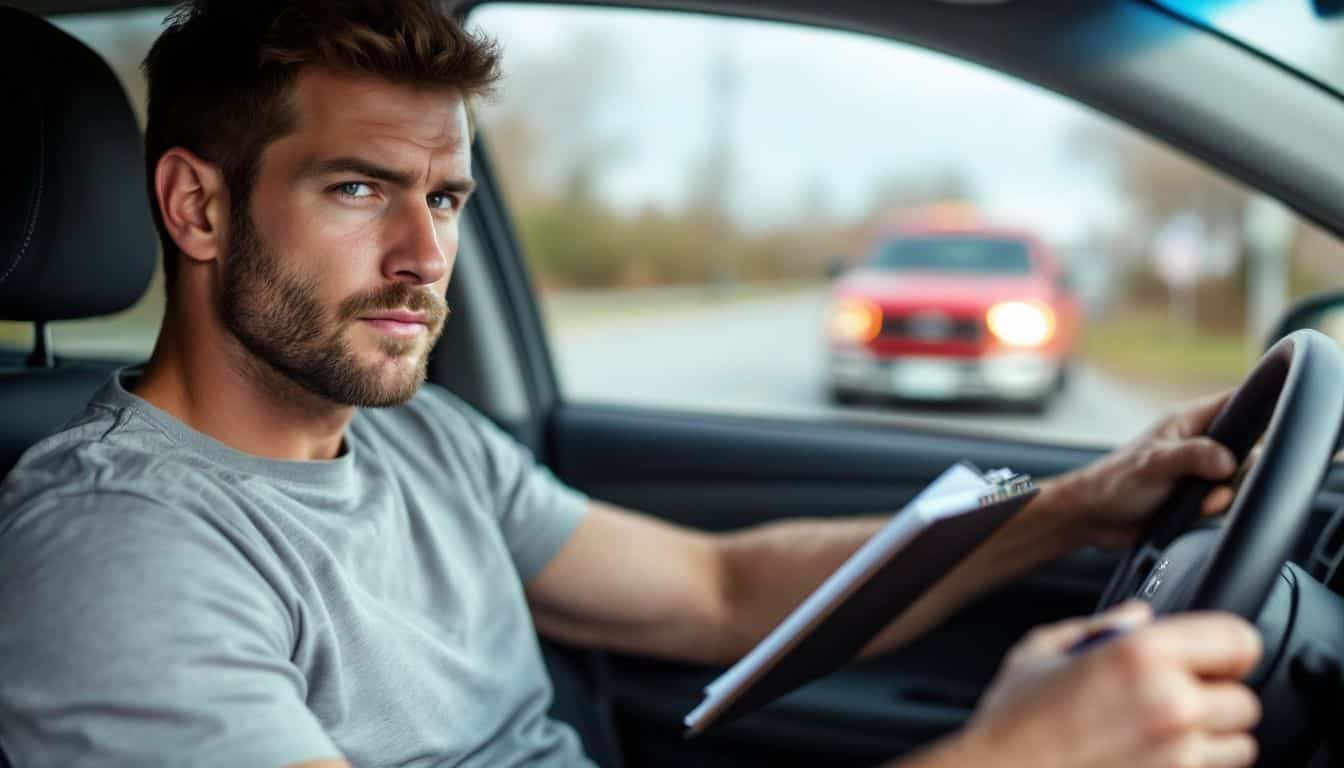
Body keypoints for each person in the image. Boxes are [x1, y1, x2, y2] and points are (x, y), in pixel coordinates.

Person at [0, 1, 1261, 766]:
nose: (423, 258)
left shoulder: (424, 440)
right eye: (358, 188)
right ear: (197, 206)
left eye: (443, 198)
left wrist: (1076, 504)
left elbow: (715, 591)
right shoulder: (114, 552)